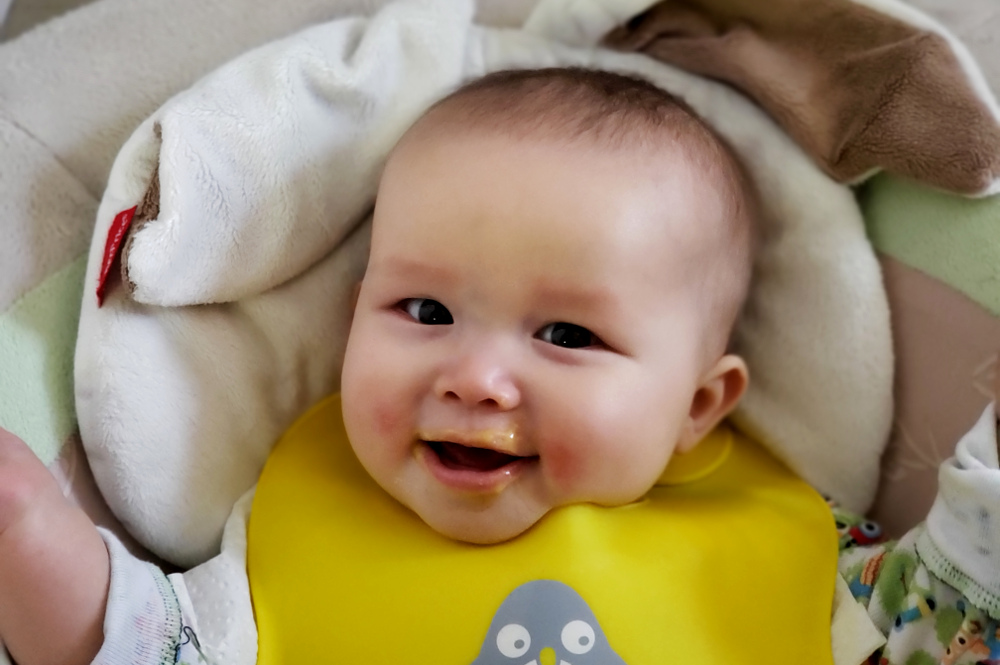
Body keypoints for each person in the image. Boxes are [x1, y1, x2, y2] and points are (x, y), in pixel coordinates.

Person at [0, 67, 995, 665]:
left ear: (698, 402)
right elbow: (153, 646)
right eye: (423, 310)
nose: (475, 374)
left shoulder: (786, 535)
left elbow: (939, 625)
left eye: (566, 335)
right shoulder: (299, 517)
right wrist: (37, 538)